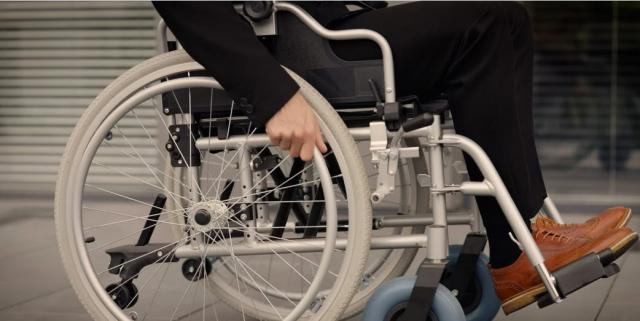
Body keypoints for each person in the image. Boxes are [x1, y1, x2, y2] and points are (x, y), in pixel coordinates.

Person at [153, 1, 637, 314]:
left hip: (330, 20)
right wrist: (273, 94)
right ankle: (516, 251)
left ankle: (526, 231)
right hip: (295, 43)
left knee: (507, 18)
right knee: (487, 24)